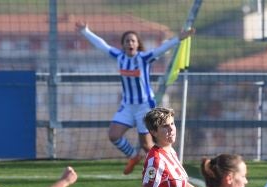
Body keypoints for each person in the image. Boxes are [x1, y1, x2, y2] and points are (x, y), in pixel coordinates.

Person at [76, 20, 195, 175]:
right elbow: (102, 45)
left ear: (138, 44)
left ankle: (168, 169)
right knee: (113, 135)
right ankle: (133, 156)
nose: (130, 43)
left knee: (147, 145)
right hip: (127, 106)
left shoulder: (144, 58)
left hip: (144, 107)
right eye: (127, 41)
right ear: (123, 45)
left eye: (133, 40)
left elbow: (162, 48)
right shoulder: (119, 57)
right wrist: (85, 31)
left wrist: (179, 37)